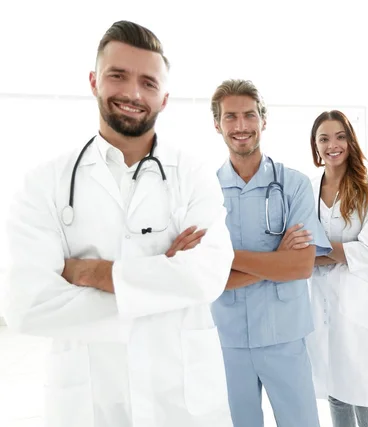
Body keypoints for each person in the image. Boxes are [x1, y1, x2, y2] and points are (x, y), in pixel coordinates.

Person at [3, 21, 234, 427]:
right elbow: (27, 304)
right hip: (89, 403)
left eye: (148, 82)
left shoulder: (194, 175)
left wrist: (92, 273)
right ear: (94, 81)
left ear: (165, 97)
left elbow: (208, 273)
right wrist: (164, 284)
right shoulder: (45, 183)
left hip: (182, 403)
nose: (132, 93)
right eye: (117, 76)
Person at [210, 79, 331, 427]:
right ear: (217, 124)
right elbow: (205, 275)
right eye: (230, 117)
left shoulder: (292, 185)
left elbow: (301, 265)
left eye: (249, 115)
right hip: (227, 338)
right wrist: (275, 258)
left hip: (284, 336)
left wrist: (228, 259)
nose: (241, 126)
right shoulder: (205, 191)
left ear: (264, 120)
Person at [307, 110, 368, 427]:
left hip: (358, 305)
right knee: (336, 394)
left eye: (340, 136)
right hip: (321, 304)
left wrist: (315, 254)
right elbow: (298, 245)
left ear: (351, 140)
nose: (333, 145)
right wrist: (333, 253)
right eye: (324, 138)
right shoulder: (307, 188)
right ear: (315, 146)